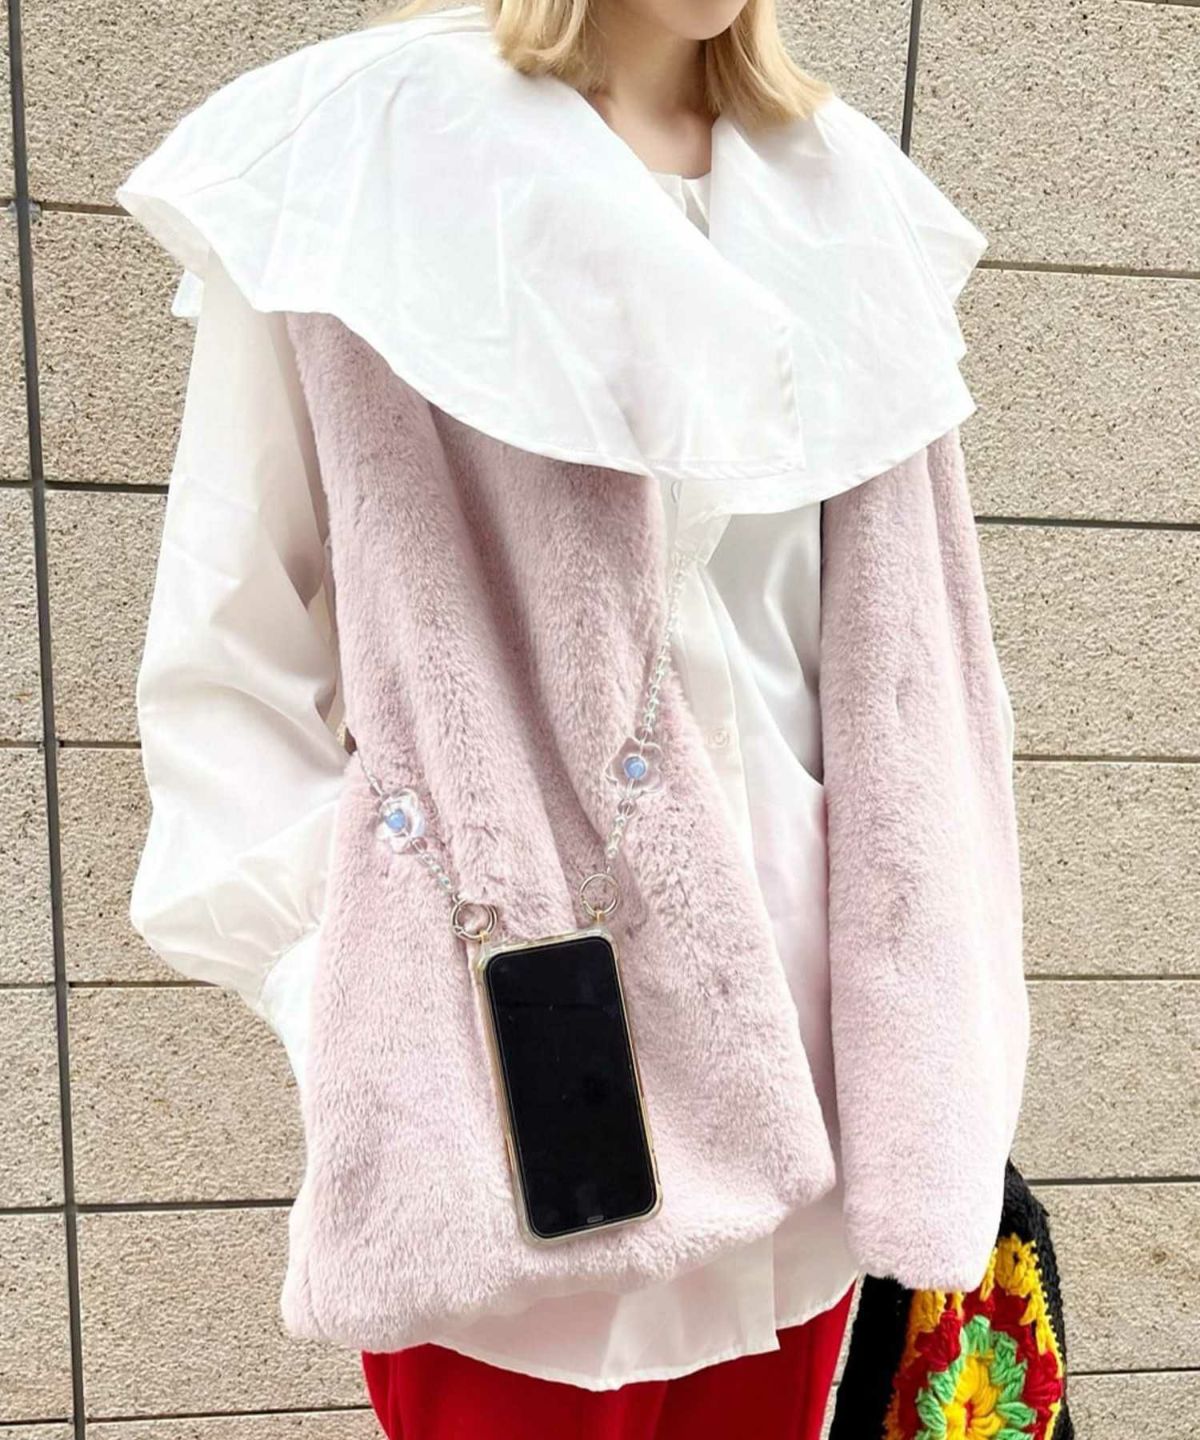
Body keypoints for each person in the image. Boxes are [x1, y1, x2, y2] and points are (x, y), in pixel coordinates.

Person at [116, 2, 1030, 1436]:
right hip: (514, 1110)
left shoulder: (845, 196)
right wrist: (366, 999)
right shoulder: (369, 153)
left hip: (820, 1111)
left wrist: (935, 1031)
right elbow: (227, 667)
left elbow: (917, 689)